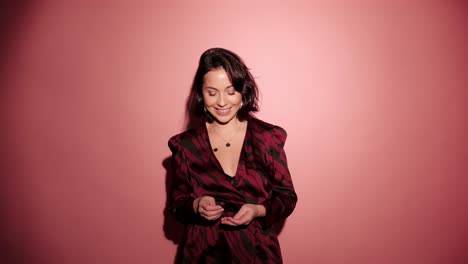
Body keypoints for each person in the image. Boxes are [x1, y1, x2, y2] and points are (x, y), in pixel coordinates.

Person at [168, 47, 297, 263]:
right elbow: (176, 206)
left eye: (230, 91)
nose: (221, 102)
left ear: (242, 91)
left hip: (257, 254)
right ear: (201, 93)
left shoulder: (268, 138)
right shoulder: (185, 146)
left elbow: (287, 198)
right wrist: (196, 204)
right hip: (202, 255)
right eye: (212, 92)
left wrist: (258, 210)